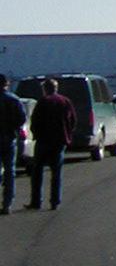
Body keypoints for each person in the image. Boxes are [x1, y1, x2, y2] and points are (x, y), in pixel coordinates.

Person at [28, 78, 76, 211]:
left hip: (43, 141)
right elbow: (73, 120)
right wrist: (67, 134)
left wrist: (36, 134)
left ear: (45, 89)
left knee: (37, 171)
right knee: (56, 172)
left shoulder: (43, 102)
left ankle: (36, 201)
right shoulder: (65, 101)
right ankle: (55, 201)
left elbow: (35, 120)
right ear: (56, 88)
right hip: (60, 141)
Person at [0, 74, 26, 215]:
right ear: (7, 84)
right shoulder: (14, 100)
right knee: (10, 171)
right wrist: (14, 128)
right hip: (9, 138)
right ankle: (7, 204)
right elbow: (22, 118)